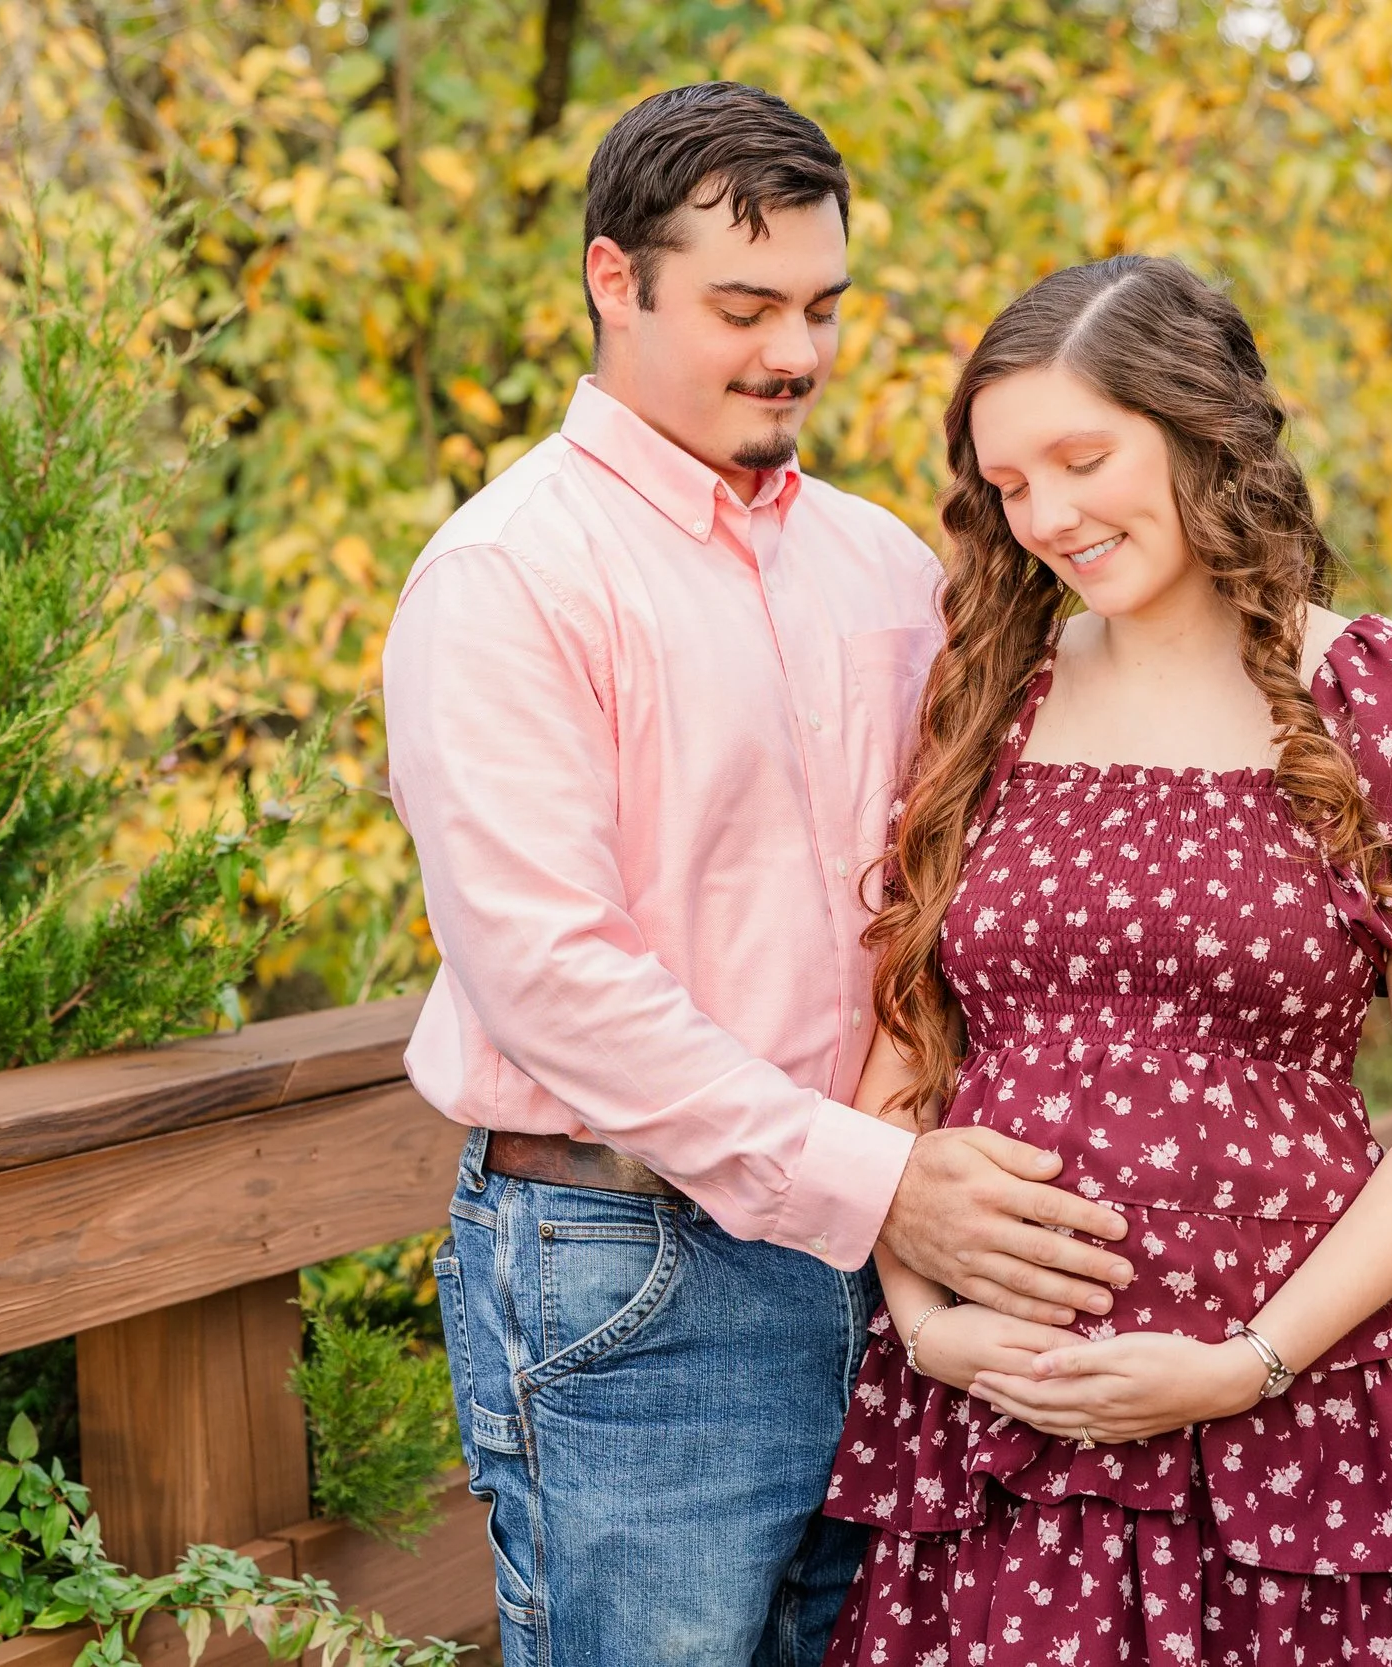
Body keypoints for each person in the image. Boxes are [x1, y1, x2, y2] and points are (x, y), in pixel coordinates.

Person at [383, 83, 1137, 1667]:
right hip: (630, 1273)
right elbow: (552, 977)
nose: (794, 351)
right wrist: (882, 1188)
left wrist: (903, 1174)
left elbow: (958, 882)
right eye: (744, 307)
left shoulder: (885, 567)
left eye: (821, 307)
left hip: (894, 1266)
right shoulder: (508, 579)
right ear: (614, 279)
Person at [819, 254, 1392, 1667]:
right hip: (1000, 1435)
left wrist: (1243, 1364)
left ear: (1198, 423)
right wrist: (925, 1325)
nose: (1049, 517)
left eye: (1083, 458)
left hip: (1288, 1422)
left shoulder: (1383, 700)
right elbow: (904, 1055)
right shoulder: (983, 701)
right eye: (1010, 484)